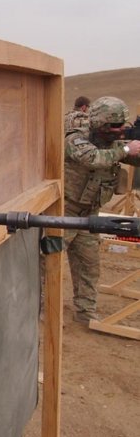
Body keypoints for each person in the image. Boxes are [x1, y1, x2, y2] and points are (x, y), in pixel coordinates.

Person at [64, 96, 140, 324]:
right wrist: (127, 147)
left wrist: (133, 148)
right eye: (113, 126)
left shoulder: (114, 142)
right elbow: (93, 159)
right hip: (63, 213)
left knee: (89, 266)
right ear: (99, 124)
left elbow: (131, 157)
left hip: (89, 216)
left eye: (121, 126)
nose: (119, 131)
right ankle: (36, 309)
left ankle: (85, 312)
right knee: (46, 262)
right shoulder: (76, 138)